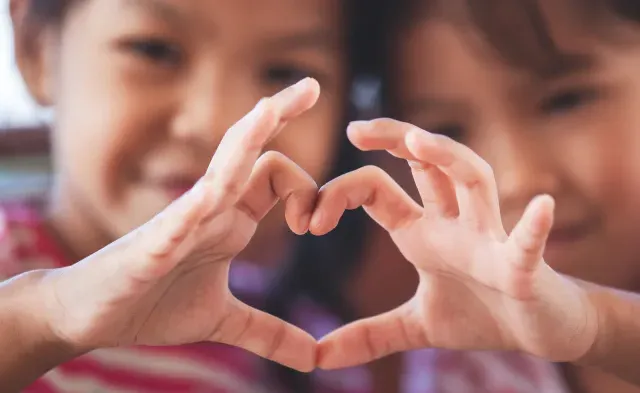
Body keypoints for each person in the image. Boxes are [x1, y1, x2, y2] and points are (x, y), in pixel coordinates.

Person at [5, 0, 374, 391]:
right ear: (36, 48)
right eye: (154, 50)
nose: (213, 123)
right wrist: (37, 324)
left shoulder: (315, 352)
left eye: (286, 73)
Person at [314, 0, 640, 392]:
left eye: (564, 100)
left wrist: (600, 330)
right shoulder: (469, 360)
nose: (518, 179)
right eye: (446, 132)